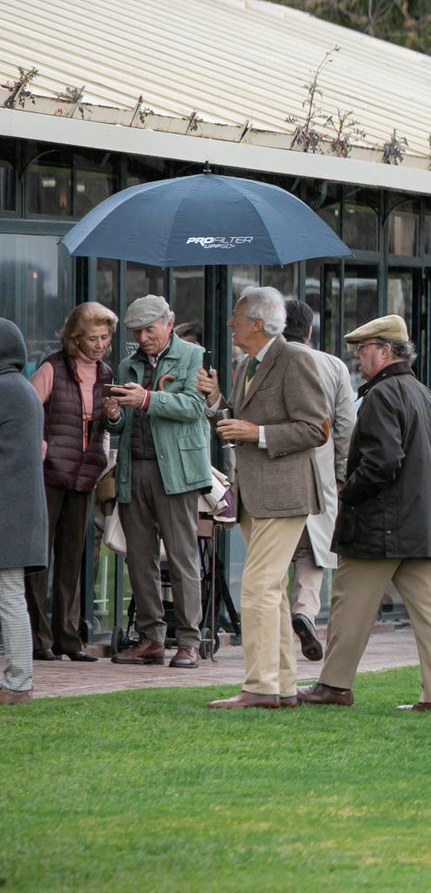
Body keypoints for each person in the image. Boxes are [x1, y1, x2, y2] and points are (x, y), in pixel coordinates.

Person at [298, 315, 431, 712]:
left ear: (386, 352)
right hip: (422, 525)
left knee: (349, 606)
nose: (357, 358)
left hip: (381, 526)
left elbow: (383, 462)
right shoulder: (424, 393)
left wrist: (346, 491)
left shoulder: (383, 395)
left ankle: (334, 685)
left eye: (363, 350)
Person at [203, 287, 329, 710]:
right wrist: (216, 402)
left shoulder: (295, 359)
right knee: (269, 590)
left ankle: (260, 687)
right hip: (254, 494)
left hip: (286, 494)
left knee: (257, 588)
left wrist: (255, 434)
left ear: (258, 322)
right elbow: (236, 420)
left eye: (236, 317)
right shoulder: (244, 365)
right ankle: (282, 687)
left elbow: (315, 428)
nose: (229, 324)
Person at [103, 295, 211, 669]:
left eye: (150, 329)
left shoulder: (193, 356)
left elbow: (196, 408)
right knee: (139, 559)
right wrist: (114, 415)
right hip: (136, 468)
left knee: (182, 558)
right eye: (137, 331)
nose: (143, 337)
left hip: (176, 473)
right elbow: (121, 426)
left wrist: (147, 399)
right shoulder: (126, 364)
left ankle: (188, 642)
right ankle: (151, 638)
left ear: (170, 322)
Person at [26, 302, 117, 662]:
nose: (100, 345)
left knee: (72, 559)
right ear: (75, 338)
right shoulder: (52, 367)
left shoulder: (107, 373)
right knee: (39, 558)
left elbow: (107, 426)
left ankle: (68, 638)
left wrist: (111, 422)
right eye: (93, 338)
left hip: (84, 475)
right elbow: (29, 410)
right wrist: (41, 449)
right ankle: (38, 639)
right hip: (49, 474)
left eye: (106, 338)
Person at [281, 299, 355, 661]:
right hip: (319, 475)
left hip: (274, 473)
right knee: (314, 554)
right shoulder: (333, 366)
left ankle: (279, 627)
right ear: (310, 332)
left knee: (275, 554)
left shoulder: (259, 363)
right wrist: (341, 473)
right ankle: (304, 612)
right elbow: (346, 427)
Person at [0, 318, 48, 705]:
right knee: (10, 595)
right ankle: (16, 682)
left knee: (10, 596)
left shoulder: (5, 390)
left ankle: (18, 684)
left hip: (7, 511)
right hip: (17, 509)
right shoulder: (21, 388)